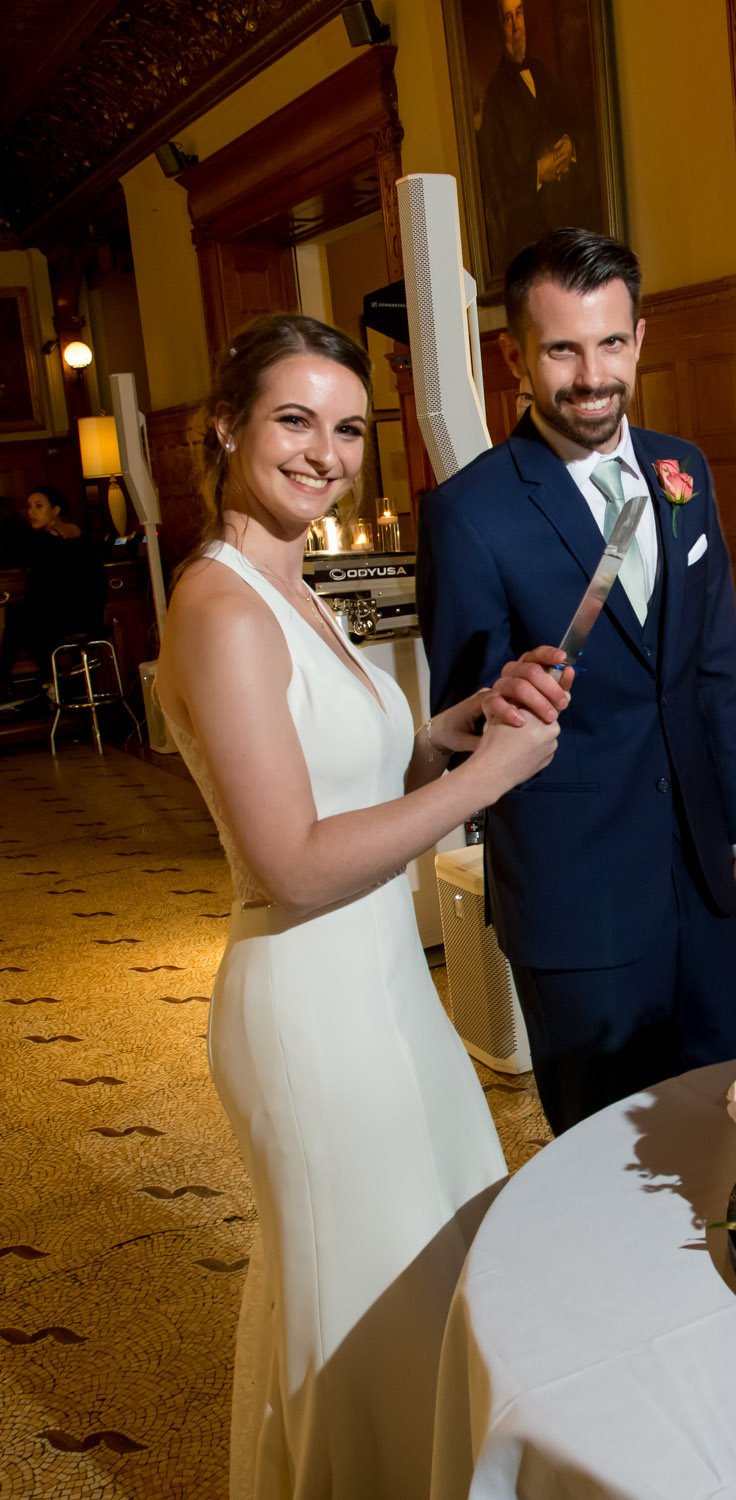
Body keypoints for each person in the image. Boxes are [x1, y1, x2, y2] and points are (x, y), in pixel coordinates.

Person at [155, 313, 569, 1499]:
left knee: (438, 1283)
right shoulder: (221, 606)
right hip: (311, 1010)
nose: (325, 452)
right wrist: (486, 785)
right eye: (294, 420)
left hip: (384, 985)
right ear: (226, 426)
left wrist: (461, 726)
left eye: (348, 428)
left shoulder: (297, 588)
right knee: (362, 1314)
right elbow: (290, 860)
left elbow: (348, 775)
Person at [419, 228, 736, 1135]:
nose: (591, 374)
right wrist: (502, 700)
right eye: (562, 348)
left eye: (610, 342)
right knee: (606, 1156)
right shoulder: (470, 513)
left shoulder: (682, 470)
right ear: (515, 355)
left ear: (640, 339)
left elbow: (712, 673)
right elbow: (466, 725)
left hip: (702, 879)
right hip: (578, 897)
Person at [477, 0, 593, 275]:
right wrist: (538, 172)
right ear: (500, 29)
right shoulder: (495, 97)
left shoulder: (542, 74)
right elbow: (495, 182)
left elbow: (575, 123)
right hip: (534, 244)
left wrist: (571, 145)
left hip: (573, 231)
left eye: (519, 14)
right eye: (507, 19)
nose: (516, 27)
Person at [0, 485, 106, 705]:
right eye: (29, 507)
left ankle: (47, 680)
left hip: (68, 621)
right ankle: (57, 681)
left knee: (17, 618)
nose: (31, 512)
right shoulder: (73, 535)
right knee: (21, 618)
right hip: (84, 617)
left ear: (55, 510)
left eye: (39, 506)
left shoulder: (44, 542)